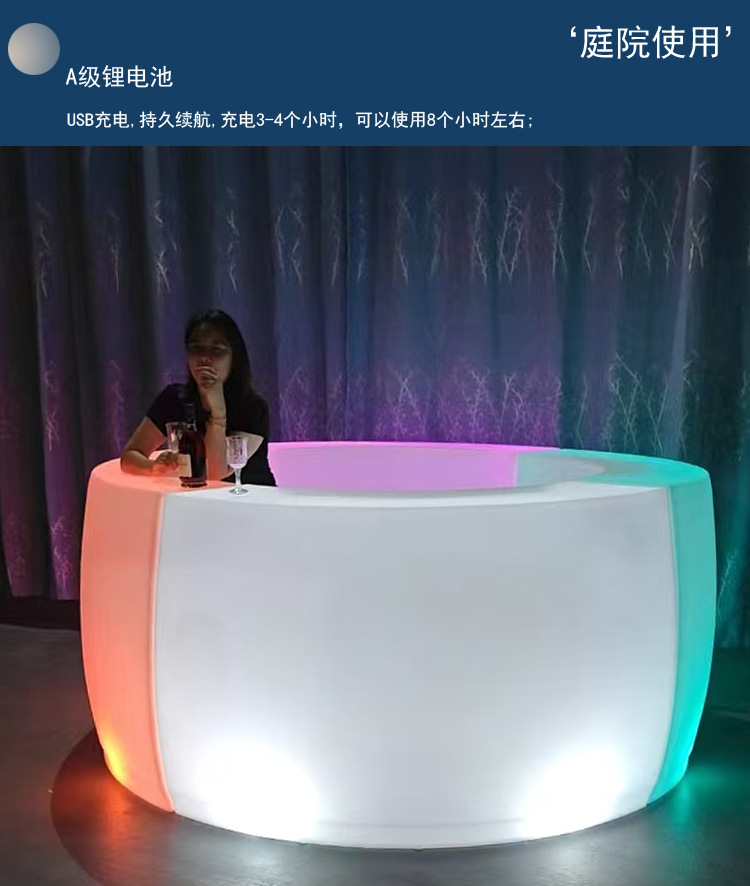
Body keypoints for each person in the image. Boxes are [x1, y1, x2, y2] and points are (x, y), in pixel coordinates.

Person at [120, 309, 277, 487]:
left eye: (217, 350)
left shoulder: (253, 407)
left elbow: (215, 473)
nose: (204, 358)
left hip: (251, 498)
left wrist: (218, 414)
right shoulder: (173, 398)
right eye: (196, 348)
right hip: (192, 498)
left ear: (234, 358)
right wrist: (154, 468)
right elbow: (130, 456)